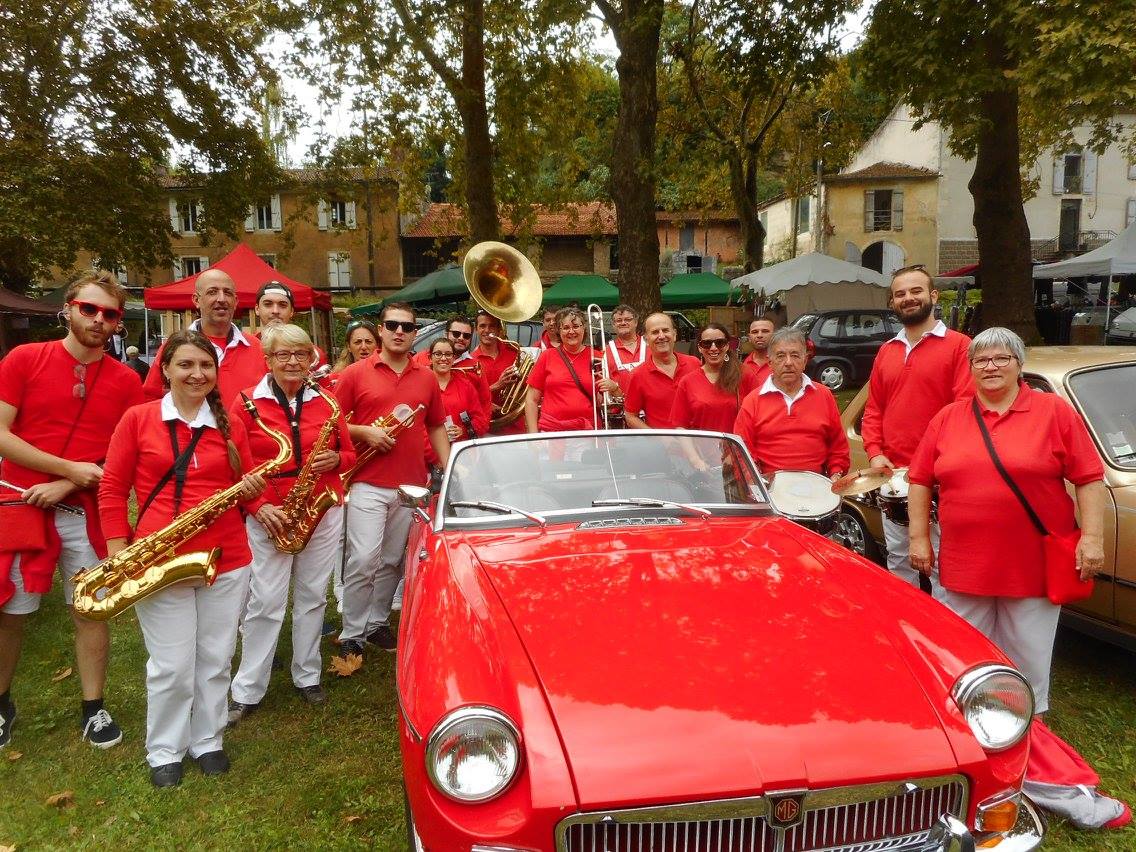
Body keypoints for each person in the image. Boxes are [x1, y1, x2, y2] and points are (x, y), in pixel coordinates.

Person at [907, 328, 1105, 716]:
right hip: (966, 564)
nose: (990, 366)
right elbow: (919, 479)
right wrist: (918, 538)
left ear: (1019, 365)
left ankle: (1027, 733)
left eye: (1001, 358)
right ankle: (973, 728)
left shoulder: (1053, 411)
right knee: (966, 655)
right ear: (970, 369)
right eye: (980, 360)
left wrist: (1093, 538)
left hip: (1031, 563)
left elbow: (1089, 478)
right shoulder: (949, 417)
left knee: (1027, 659)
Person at [98, 330, 267, 786]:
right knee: (171, 664)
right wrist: (119, 552)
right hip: (159, 557)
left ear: (215, 372)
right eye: (186, 365)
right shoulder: (138, 418)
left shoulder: (229, 422)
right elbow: (112, 489)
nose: (197, 374)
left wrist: (253, 491)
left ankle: (207, 738)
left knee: (215, 657)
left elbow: (249, 482)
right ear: (166, 369)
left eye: (205, 366)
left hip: (226, 556)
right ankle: (165, 748)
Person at [0, 271, 144, 752]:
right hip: (22, 502)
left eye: (110, 314)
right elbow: (1, 434)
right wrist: (63, 470)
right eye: (90, 309)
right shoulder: (24, 358)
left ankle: (92, 706)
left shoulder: (127, 380)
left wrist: (70, 481)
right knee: (12, 610)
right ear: (69, 308)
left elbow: (122, 454)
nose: (99, 320)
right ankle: (2, 703)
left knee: (89, 609)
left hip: (85, 509)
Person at [227, 325, 354, 726]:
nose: (294, 362)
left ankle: (307, 674)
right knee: (265, 601)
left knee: (315, 595)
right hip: (270, 512)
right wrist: (257, 506)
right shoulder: (246, 403)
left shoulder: (327, 403)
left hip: (320, 507)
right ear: (268, 359)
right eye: (284, 355)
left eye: (301, 354)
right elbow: (234, 466)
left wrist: (339, 461)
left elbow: (348, 452)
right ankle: (248, 688)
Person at [334, 303, 449, 657]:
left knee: (391, 560)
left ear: (416, 334)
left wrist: (452, 470)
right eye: (392, 325)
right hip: (368, 479)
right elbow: (331, 423)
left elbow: (435, 426)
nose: (399, 331)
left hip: (411, 484)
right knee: (364, 558)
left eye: (407, 327)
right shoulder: (354, 373)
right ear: (381, 330)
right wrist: (364, 432)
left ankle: (377, 622)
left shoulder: (426, 376)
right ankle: (351, 631)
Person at [861, 264, 971, 596]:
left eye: (916, 291)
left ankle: (943, 638)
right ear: (893, 303)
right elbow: (873, 409)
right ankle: (906, 634)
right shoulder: (887, 351)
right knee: (898, 563)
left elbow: (963, 411)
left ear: (933, 296)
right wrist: (875, 453)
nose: (908, 299)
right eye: (900, 294)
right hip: (893, 476)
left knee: (941, 568)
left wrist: (937, 463)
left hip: (940, 478)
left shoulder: (960, 346)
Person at [733, 327, 849, 479]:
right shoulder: (753, 401)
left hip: (817, 487)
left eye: (795, 355)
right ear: (770, 362)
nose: (788, 362)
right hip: (770, 489)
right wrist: (756, 483)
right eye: (780, 356)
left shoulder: (824, 395)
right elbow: (741, 452)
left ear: (805, 360)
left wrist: (836, 474)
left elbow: (838, 447)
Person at [143, 269, 266, 405]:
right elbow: (151, 398)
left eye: (227, 293)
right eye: (212, 292)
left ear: (236, 301)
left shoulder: (258, 348)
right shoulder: (174, 348)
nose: (221, 299)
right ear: (196, 300)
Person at [524, 307, 615, 432]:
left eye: (576, 326)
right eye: (566, 328)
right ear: (559, 331)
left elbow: (608, 401)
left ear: (584, 328)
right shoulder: (547, 356)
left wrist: (614, 388)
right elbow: (531, 400)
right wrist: (533, 436)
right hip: (552, 431)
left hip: (587, 432)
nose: (571, 331)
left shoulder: (597, 357)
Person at [669, 322, 759, 434]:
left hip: (738, 448)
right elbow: (680, 426)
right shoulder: (687, 382)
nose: (713, 348)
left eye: (719, 343)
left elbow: (760, 415)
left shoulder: (744, 375)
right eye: (707, 344)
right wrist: (694, 452)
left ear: (727, 346)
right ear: (700, 348)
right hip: (700, 450)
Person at [624, 313, 700, 429]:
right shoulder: (637, 375)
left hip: (699, 441)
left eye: (665, 330)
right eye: (655, 332)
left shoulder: (694, 364)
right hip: (663, 446)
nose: (661, 336)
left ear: (674, 335)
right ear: (645, 339)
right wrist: (656, 438)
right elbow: (630, 416)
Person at [413, 318, 491, 410]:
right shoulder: (420, 358)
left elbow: (485, 403)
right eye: (456, 334)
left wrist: (477, 424)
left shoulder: (475, 366)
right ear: (446, 334)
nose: (461, 338)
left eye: (466, 336)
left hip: (460, 423)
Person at [470, 310, 524, 434]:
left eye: (492, 326)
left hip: (516, 427)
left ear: (499, 329)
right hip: (489, 428)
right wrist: (497, 386)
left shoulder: (514, 353)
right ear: (476, 329)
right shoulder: (471, 361)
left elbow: (526, 388)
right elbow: (470, 398)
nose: (487, 330)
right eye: (482, 326)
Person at [252, 281, 328, 370]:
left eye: (282, 305)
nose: (275, 311)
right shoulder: (246, 349)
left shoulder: (312, 354)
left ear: (291, 311)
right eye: (268, 304)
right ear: (257, 309)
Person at [427, 338, 488, 445]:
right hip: (430, 454)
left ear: (454, 358)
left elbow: (481, 421)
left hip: (460, 452)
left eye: (448, 354)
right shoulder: (422, 386)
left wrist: (464, 430)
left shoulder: (466, 386)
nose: (443, 358)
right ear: (430, 358)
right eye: (438, 354)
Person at [603, 304, 648, 396]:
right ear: (613, 325)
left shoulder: (650, 345)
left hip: (651, 407)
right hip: (621, 408)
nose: (623, 323)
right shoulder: (606, 352)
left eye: (628, 319)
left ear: (636, 322)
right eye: (619, 320)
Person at [741, 317, 775, 384]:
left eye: (765, 331)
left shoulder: (783, 363)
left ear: (774, 336)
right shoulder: (741, 366)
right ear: (749, 337)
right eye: (755, 332)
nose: (759, 335)